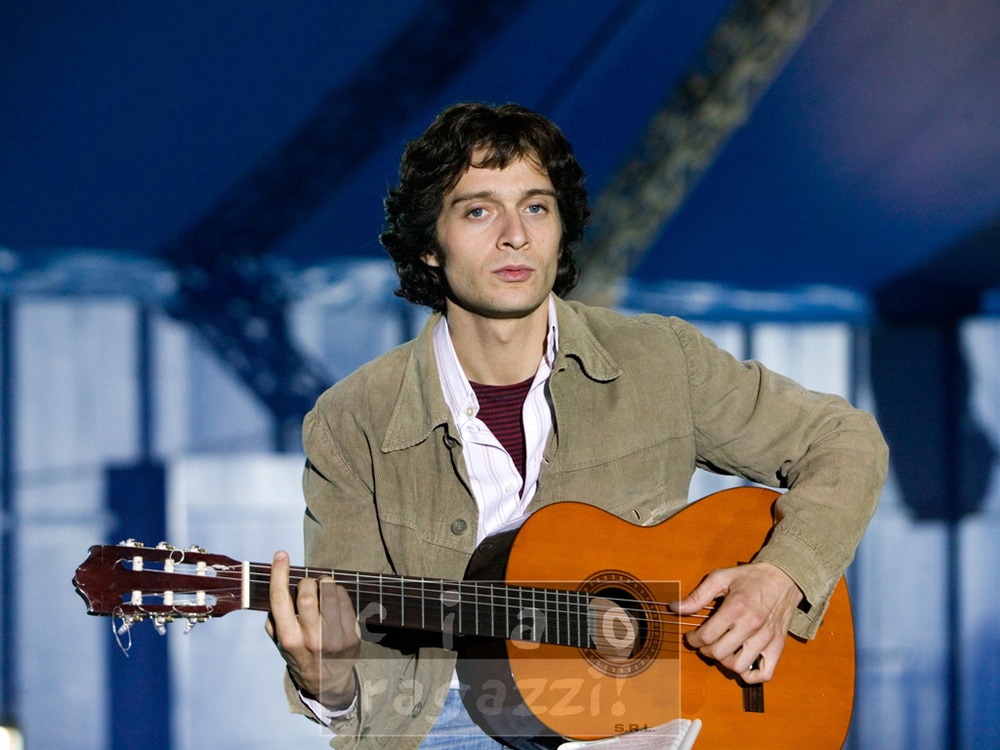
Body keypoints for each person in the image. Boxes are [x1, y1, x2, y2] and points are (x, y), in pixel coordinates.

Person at [265, 102, 888, 749]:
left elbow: (842, 439)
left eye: (536, 207)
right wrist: (326, 677)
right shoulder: (351, 421)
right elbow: (352, 669)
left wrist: (782, 576)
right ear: (428, 243)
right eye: (479, 211)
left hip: (654, 718)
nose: (515, 236)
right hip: (445, 724)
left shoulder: (661, 360)